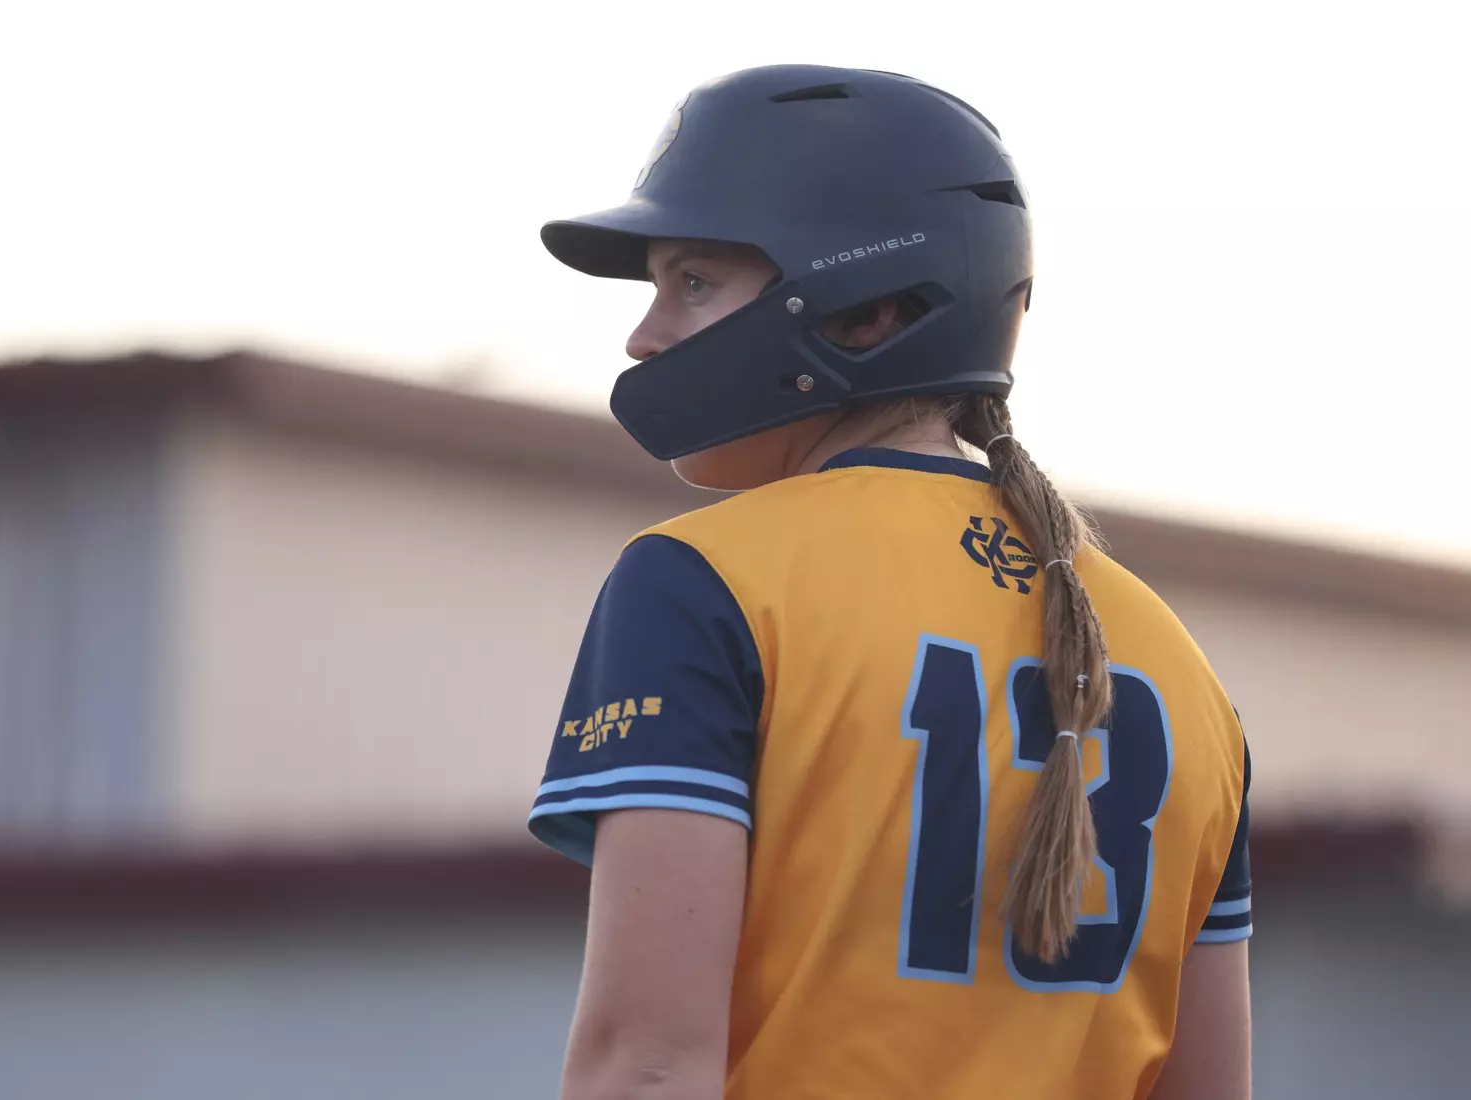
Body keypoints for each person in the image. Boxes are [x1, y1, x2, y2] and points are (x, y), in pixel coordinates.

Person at [526, 64, 1252, 1100]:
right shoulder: (1180, 666)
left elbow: (642, 1066)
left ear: (867, 312)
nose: (644, 334)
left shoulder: (701, 580)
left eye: (693, 281)